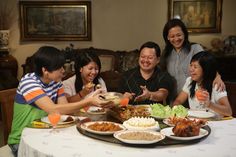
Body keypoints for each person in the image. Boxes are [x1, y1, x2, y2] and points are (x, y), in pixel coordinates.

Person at [7, 46, 111, 157]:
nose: (63, 70)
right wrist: (89, 101)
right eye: (59, 67)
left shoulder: (56, 82)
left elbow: (64, 109)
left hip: (44, 134)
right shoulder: (29, 81)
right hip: (22, 140)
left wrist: (88, 98)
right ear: (45, 70)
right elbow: (52, 109)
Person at [160, 18, 224, 101]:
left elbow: (208, 65)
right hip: (174, 101)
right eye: (172, 36)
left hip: (194, 99)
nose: (176, 39)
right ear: (167, 38)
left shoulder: (195, 48)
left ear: (184, 34)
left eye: (179, 35)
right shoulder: (166, 54)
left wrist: (217, 77)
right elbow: (161, 75)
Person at [173, 51, 232, 117]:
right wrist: (178, 109)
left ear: (205, 69)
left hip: (215, 123)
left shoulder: (216, 85)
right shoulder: (189, 81)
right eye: (191, 65)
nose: (191, 69)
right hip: (194, 122)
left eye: (195, 67)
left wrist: (210, 104)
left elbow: (228, 112)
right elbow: (178, 101)